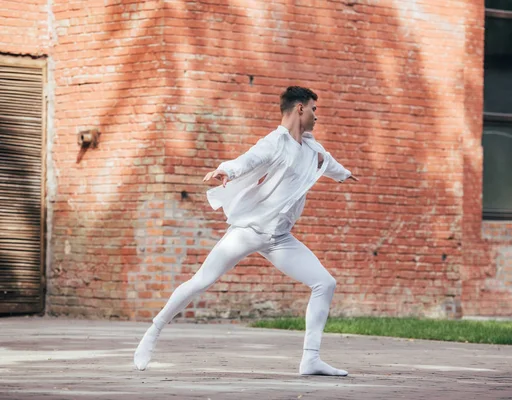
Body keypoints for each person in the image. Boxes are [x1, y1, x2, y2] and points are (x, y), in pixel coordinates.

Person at [134, 86, 357, 376]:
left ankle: (311, 359)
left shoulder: (312, 148)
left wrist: (344, 174)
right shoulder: (275, 142)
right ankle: (153, 332)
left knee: (324, 283)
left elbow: (327, 162)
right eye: (314, 109)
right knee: (202, 280)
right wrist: (226, 170)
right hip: (249, 230)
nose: (317, 116)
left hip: (279, 238)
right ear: (300, 108)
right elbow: (250, 159)